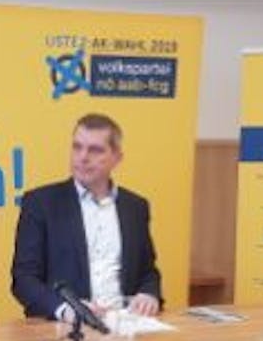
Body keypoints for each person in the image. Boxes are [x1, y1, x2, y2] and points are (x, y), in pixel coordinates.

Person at [11, 113, 162, 323]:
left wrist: (149, 294)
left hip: (126, 323)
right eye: (77, 147)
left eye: (95, 150)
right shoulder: (41, 203)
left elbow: (147, 271)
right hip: (66, 327)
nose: (83, 157)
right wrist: (65, 309)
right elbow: (24, 279)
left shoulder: (135, 207)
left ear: (117, 158)